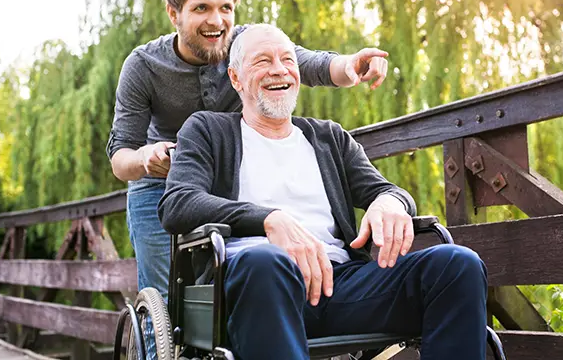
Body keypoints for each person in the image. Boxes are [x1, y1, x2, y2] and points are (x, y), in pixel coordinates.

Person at [159, 24, 489, 359]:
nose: (279, 69)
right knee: (266, 261)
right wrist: (269, 220)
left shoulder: (329, 137)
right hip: (256, 286)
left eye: (288, 60)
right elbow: (178, 204)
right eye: (262, 61)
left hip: (340, 284)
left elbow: (385, 190)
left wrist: (390, 202)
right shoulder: (207, 131)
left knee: (457, 265)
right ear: (236, 78)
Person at [106, 0, 390, 302]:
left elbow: (311, 64)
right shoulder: (143, 66)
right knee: (166, 298)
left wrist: (353, 65)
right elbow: (120, 159)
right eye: (201, 9)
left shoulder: (246, 46)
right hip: (159, 186)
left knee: (231, 284)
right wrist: (146, 158)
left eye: (226, 8)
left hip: (226, 178)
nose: (217, 20)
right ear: (173, 14)